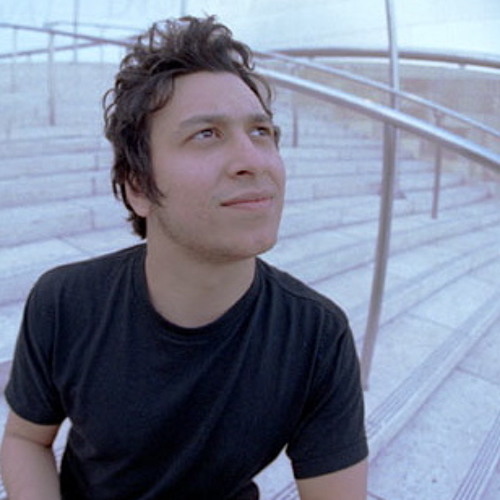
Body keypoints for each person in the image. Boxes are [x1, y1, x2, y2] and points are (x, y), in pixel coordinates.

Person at [0, 15, 368, 500]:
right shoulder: (65, 301)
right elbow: (26, 438)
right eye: (207, 134)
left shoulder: (316, 337)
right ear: (138, 187)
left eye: (261, 131)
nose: (253, 160)